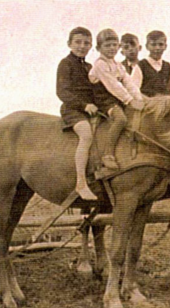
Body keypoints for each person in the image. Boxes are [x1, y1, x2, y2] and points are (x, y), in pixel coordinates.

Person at [89, 28, 144, 170]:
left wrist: (140, 99)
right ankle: (108, 154)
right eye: (107, 45)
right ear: (98, 48)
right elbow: (114, 86)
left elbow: (129, 83)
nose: (111, 48)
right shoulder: (100, 64)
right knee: (121, 119)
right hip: (103, 100)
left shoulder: (118, 66)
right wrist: (130, 101)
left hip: (116, 99)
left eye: (114, 45)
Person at [56, 26, 98, 200]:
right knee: (86, 135)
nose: (82, 46)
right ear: (69, 44)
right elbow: (62, 92)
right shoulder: (65, 64)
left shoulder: (89, 66)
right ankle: (81, 183)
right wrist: (84, 105)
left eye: (86, 43)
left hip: (90, 109)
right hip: (73, 110)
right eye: (78, 42)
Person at [133, 30, 170, 97]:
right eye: (153, 44)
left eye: (160, 44)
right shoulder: (140, 66)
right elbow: (134, 91)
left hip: (165, 104)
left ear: (165, 46)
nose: (157, 48)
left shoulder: (168, 66)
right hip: (147, 105)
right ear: (147, 46)